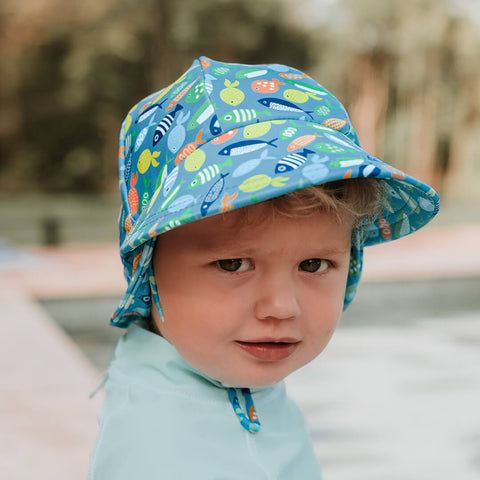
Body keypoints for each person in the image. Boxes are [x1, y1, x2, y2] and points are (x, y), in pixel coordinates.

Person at [88, 56, 439, 479]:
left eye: (313, 264)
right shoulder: (158, 449)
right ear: (149, 267)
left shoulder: (219, 377)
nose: (281, 306)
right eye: (233, 263)